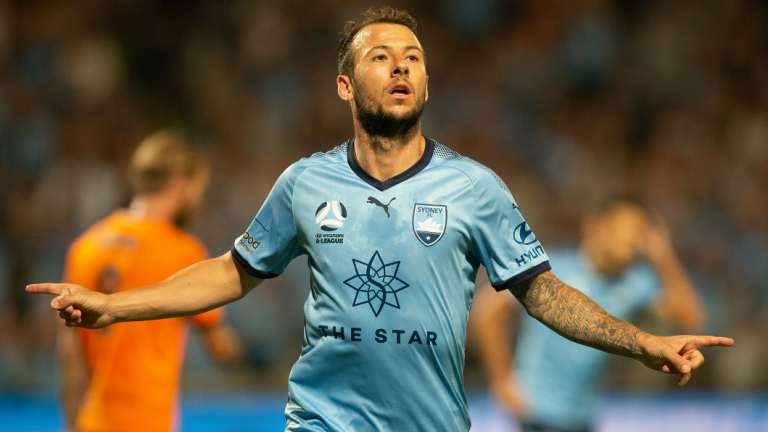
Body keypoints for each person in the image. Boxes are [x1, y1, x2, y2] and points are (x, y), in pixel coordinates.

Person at [28, 7, 733, 432]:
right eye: (380, 56)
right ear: (345, 84)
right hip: (323, 420)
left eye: (413, 58)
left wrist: (641, 342)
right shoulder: (305, 182)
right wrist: (116, 308)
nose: (400, 67)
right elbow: (231, 273)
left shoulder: (475, 187)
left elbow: (542, 293)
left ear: (427, 82)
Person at [57, 131, 241, 432]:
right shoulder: (183, 250)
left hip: (92, 420)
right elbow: (219, 346)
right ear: (181, 184)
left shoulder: (85, 246)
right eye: (197, 189)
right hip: (147, 421)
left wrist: (72, 423)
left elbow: (69, 353)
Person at [473, 201, 706, 432]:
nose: (629, 244)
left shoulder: (634, 284)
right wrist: (501, 379)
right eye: (622, 231)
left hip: (583, 418)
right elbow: (488, 311)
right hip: (536, 413)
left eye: (637, 237)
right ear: (595, 228)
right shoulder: (554, 270)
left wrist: (663, 256)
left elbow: (690, 319)